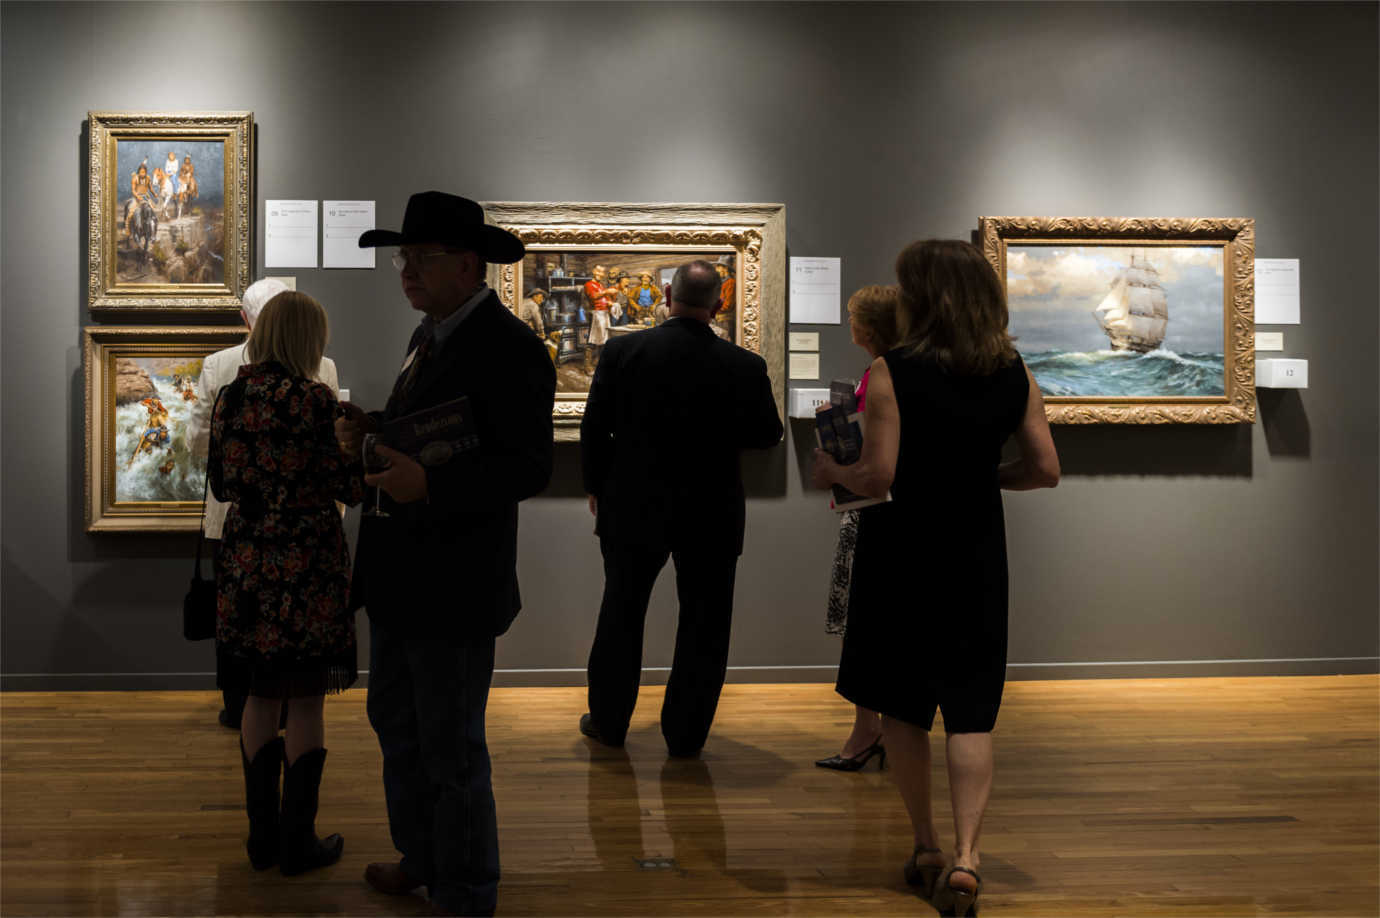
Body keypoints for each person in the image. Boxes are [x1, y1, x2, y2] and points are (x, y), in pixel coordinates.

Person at [812, 240, 1059, 915]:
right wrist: (981, 479)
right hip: (977, 551)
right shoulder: (1015, 372)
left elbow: (879, 476)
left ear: (924, 295)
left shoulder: (894, 371)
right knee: (972, 713)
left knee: (902, 706)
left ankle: (925, 844)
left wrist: (833, 470)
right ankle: (969, 859)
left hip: (902, 552)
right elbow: (1045, 469)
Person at [340, 191, 555, 917]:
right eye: (403, 257)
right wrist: (372, 427)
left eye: (420, 258)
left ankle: (466, 889)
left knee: (452, 746)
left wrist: (428, 482)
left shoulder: (512, 349)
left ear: (467, 265)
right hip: (404, 575)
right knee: (397, 725)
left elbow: (527, 467)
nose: (405, 270)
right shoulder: (429, 335)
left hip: (455, 582)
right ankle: (423, 857)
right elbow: (435, 429)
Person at [579, 259, 782, 757]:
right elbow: (767, 434)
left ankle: (609, 722)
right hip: (711, 508)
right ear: (718, 305)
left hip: (632, 503)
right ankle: (686, 735)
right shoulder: (744, 365)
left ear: (667, 294)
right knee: (705, 623)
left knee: (621, 612)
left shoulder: (623, 351)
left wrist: (595, 486)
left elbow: (593, 427)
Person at [207, 290, 365, 877]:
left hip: (247, 559)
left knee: (258, 692)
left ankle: (260, 838)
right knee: (303, 696)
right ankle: (298, 842)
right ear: (309, 340)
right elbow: (349, 488)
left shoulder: (232, 397)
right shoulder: (317, 402)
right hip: (307, 562)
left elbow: (222, 486)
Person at [186, 277, 341, 730]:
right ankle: (292, 707)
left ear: (246, 318)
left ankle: (240, 706)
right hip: (308, 521)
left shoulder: (220, 367)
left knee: (240, 619)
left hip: (239, 517)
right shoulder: (323, 370)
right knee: (301, 628)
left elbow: (198, 442)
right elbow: (333, 454)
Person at [814, 285, 901, 773]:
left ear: (868, 325)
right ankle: (876, 727)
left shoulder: (886, 373)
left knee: (862, 623)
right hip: (870, 503)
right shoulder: (886, 371)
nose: (849, 324)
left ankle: (867, 731)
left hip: (873, 506)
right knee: (866, 623)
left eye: (853, 316)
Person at [583, 264, 615, 373]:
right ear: (593, 271)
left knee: (604, 339)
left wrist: (610, 303)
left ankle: (598, 363)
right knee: (592, 340)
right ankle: (587, 367)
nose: (600, 274)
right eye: (598, 271)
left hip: (604, 314)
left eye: (602, 272)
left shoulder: (601, 285)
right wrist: (607, 292)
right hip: (595, 314)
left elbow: (604, 298)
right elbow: (594, 297)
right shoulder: (589, 284)